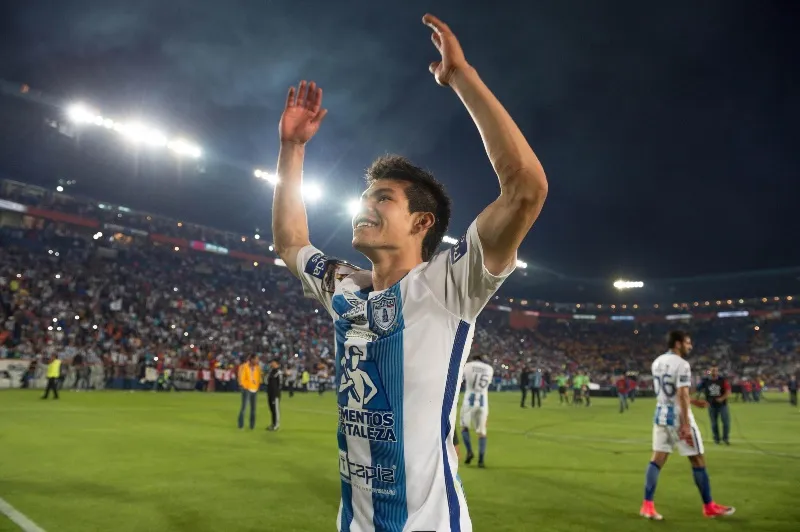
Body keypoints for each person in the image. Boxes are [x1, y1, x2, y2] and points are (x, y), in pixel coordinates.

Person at [270, 13, 547, 531]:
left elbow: (525, 187)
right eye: (364, 196)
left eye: (382, 198)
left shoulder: (448, 286)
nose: (364, 206)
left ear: (421, 222)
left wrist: (461, 77)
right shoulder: (345, 292)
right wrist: (292, 149)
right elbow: (290, 242)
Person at [639, 330, 735, 520]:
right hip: (678, 418)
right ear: (678, 344)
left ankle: (647, 505)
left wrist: (691, 400)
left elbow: (669, 392)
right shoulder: (682, 364)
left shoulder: (657, 362)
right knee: (698, 460)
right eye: (687, 343)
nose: (690, 346)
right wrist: (684, 424)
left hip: (661, 415)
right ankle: (709, 506)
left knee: (656, 460)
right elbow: (680, 394)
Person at [460, 355, 495, 468]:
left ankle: (469, 451)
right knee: (482, 432)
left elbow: (461, 379)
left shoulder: (468, 366)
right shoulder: (489, 369)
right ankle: (481, 460)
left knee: (464, 427)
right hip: (482, 402)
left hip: (469, 401)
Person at [697, 366, 731, 445]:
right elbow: (698, 388)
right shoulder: (705, 381)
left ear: (717, 371)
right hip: (711, 405)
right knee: (714, 423)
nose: (714, 372)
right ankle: (716, 439)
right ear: (709, 371)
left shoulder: (722, 380)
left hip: (722, 404)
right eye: (712, 371)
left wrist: (722, 398)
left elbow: (728, 391)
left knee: (726, 422)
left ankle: (725, 438)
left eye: (715, 370)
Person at [237, 354, 261, 430]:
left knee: (253, 409)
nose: (257, 361)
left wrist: (257, 386)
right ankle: (241, 425)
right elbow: (241, 377)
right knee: (244, 408)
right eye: (256, 359)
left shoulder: (257, 367)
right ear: (252, 359)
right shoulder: (244, 366)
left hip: (254, 389)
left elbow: (258, 377)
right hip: (247, 389)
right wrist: (243, 386)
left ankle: (252, 426)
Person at [266, 359, 282, 431]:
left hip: (275, 394)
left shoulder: (278, 373)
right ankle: (273, 423)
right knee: (272, 410)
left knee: (275, 410)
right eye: (272, 363)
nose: (272, 364)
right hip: (270, 393)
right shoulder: (270, 372)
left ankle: (276, 425)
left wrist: (276, 393)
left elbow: (280, 384)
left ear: (277, 364)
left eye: (274, 363)